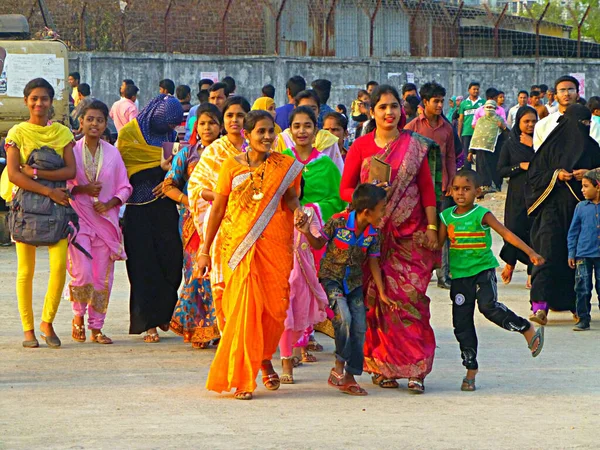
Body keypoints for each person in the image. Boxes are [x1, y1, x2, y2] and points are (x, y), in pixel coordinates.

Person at [198, 110, 307, 401]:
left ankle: (262, 357)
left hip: (275, 245)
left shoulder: (285, 166)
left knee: (274, 311)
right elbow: (218, 210)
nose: (268, 137)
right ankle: (244, 380)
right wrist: (204, 250)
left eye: (271, 131)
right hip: (239, 248)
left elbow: (292, 198)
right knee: (244, 311)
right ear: (247, 135)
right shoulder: (230, 167)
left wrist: (299, 212)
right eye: (261, 131)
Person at [340, 84, 442, 393]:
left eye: (394, 106)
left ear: (403, 110)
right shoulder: (360, 147)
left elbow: (427, 190)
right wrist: (367, 195)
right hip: (372, 236)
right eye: (382, 107)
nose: (389, 112)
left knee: (410, 300)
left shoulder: (415, 146)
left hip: (410, 236)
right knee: (375, 304)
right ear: (371, 112)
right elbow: (344, 190)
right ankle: (382, 366)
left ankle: (415, 368)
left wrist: (433, 227)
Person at [439, 169, 545, 392]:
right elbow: (438, 245)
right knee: (462, 324)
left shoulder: (482, 214)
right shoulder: (446, 216)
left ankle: (525, 328)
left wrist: (530, 253)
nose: (460, 193)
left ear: (477, 192)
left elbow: (506, 234)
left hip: (483, 271)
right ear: (450, 191)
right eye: (456, 189)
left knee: (488, 307)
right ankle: (470, 371)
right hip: (459, 278)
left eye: (466, 189)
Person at [2, 78, 75, 348]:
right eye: (34, 98)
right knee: (25, 271)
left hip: (57, 209)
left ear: (51, 101)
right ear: (25, 101)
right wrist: (49, 190)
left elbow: (71, 171)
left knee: (58, 268)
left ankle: (47, 321)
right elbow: (12, 174)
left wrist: (35, 172)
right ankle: (28, 329)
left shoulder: (63, 134)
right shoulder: (17, 133)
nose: (39, 103)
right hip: (26, 208)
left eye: (44, 98)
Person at [300, 183, 389, 396]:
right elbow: (319, 243)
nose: (383, 214)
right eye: (381, 209)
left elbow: (374, 263)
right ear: (366, 211)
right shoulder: (338, 222)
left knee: (359, 326)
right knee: (344, 319)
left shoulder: (374, 233)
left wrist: (382, 292)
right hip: (332, 279)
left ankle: (350, 375)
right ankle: (339, 365)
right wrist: (306, 232)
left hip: (355, 283)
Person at [116, 94, 184, 342]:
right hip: (138, 208)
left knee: (172, 261)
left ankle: (164, 313)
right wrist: (156, 171)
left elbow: (178, 168)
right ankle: (148, 323)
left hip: (165, 205)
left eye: (173, 124)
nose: (170, 128)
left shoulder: (169, 137)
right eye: (166, 122)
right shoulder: (129, 136)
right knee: (143, 266)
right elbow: (122, 171)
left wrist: (168, 179)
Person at [527, 103, 600, 324]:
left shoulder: (593, 148)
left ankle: (577, 307)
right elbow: (533, 177)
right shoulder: (549, 149)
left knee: (576, 261)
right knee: (547, 254)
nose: (584, 128)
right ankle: (540, 307)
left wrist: (588, 175)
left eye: (587, 124)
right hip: (551, 210)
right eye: (580, 123)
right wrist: (556, 175)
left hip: (581, 214)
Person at [67, 100, 132, 345]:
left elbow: (125, 186)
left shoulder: (113, 153)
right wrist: (83, 188)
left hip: (106, 223)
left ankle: (96, 327)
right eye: (90, 119)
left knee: (101, 279)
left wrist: (110, 203)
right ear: (81, 121)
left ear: (106, 124)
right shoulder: (71, 150)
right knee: (81, 273)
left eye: (100, 120)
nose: (94, 124)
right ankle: (77, 316)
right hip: (79, 220)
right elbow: (64, 185)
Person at [187, 96, 251, 330]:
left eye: (240, 115)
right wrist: (222, 197)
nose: (235, 120)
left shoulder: (260, 147)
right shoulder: (215, 150)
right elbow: (196, 188)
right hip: (223, 228)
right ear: (223, 121)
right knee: (226, 285)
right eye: (230, 116)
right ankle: (230, 337)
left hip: (255, 228)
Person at [163, 103, 222, 348]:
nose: (207, 128)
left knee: (219, 273)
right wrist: (191, 201)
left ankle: (219, 327)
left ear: (220, 126)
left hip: (223, 220)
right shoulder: (187, 154)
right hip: (193, 222)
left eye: (212, 123)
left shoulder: (228, 154)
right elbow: (169, 185)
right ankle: (198, 328)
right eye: (203, 123)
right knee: (196, 271)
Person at [405, 81, 456, 289]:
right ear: (425, 102)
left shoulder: (447, 129)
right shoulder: (412, 128)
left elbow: (451, 157)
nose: (440, 105)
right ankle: (420, 271)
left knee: (443, 231)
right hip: (418, 189)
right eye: (436, 101)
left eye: (442, 101)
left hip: (442, 188)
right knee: (420, 230)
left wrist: (452, 181)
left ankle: (444, 274)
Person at [278, 191, 328, 384]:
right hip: (279, 273)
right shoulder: (269, 212)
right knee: (285, 320)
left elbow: (318, 242)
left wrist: (306, 230)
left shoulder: (309, 213)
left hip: (303, 277)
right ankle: (286, 364)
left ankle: (293, 349)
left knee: (298, 323)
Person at [497, 106, 537, 289]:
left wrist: (533, 147)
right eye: (526, 121)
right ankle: (511, 263)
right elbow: (501, 170)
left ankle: (531, 272)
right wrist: (519, 166)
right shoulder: (510, 144)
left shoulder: (542, 142)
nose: (530, 125)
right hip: (516, 195)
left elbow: (547, 164)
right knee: (512, 230)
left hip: (536, 194)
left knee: (533, 233)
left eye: (533, 121)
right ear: (518, 122)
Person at [283, 107, 345, 223]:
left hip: (318, 234)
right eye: (296, 126)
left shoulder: (326, 163)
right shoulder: (282, 160)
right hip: (287, 229)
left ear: (315, 130)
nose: (302, 131)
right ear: (290, 130)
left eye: (307, 126)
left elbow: (338, 201)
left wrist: (313, 209)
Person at [276, 89, 344, 172]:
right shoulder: (283, 139)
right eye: (303, 108)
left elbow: (337, 174)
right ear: (295, 109)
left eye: (313, 109)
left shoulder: (328, 140)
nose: (308, 113)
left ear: (319, 111)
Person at [567, 169, 600, 331]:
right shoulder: (581, 207)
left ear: (598, 187)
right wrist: (571, 253)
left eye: (586, 186)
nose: (582, 190)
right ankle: (583, 318)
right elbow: (573, 232)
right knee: (582, 288)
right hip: (583, 254)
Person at [533, 75, 600, 150]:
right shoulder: (543, 125)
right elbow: (540, 156)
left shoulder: (591, 124)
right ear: (555, 96)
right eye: (562, 90)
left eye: (571, 90)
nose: (566, 94)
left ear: (578, 95)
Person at [469, 100, 507, 193]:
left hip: (495, 149)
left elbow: (507, 135)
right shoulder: (480, 121)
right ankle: (484, 186)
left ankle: (496, 186)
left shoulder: (499, 120)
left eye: (491, 107)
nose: (489, 109)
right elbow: (476, 136)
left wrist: (503, 127)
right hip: (480, 149)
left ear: (495, 109)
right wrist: (470, 151)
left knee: (494, 167)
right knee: (481, 166)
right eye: (487, 107)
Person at [458, 82, 485, 170]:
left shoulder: (483, 102)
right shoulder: (464, 104)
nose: (476, 91)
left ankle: (479, 175)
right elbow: (461, 119)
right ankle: (467, 173)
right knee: (466, 154)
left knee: (480, 155)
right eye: (474, 89)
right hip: (467, 132)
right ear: (469, 90)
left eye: (477, 89)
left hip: (479, 133)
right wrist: (459, 133)